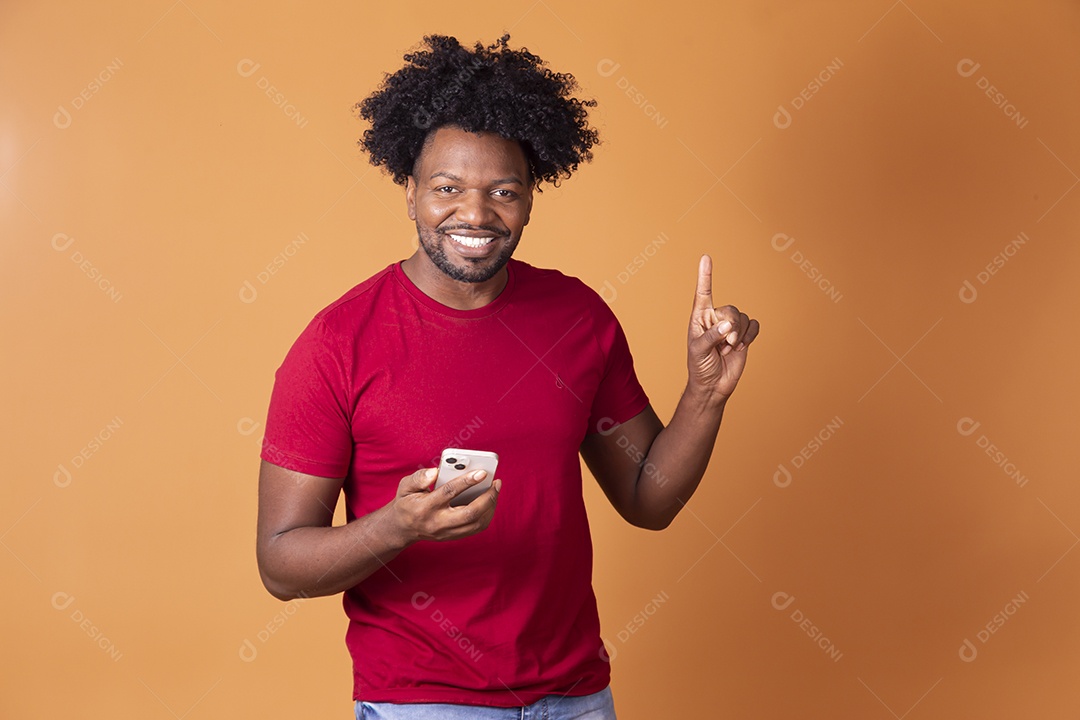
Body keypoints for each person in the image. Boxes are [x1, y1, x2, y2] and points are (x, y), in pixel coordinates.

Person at [255, 34, 759, 719]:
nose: (476, 214)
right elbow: (280, 564)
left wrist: (704, 396)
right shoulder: (338, 343)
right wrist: (397, 526)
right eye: (447, 189)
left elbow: (649, 500)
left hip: (577, 697)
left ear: (530, 198)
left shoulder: (576, 317)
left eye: (503, 192)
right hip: (425, 704)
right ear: (409, 193)